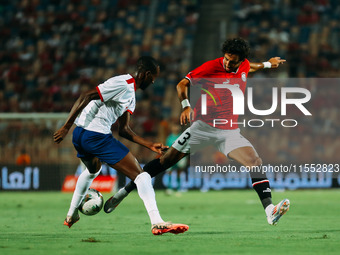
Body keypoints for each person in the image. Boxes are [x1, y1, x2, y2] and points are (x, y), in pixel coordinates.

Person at [104, 38, 290, 226]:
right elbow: (181, 84)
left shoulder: (244, 65)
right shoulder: (211, 67)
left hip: (229, 130)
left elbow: (251, 67)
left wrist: (268, 64)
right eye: (226, 58)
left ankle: (269, 211)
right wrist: (186, 106)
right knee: (165, 161)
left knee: (255, 162)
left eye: (232, 61)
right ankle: (123, 192)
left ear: (240, 61)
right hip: (203, 127)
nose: (227, 63)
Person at [53, 56, 189, 235]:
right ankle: (157, 222)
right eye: (153, 77)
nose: (154, 81)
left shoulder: (130, 95)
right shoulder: (123, 83)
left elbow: (124, 130)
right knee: (142, 177)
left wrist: (149, 145)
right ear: (146, 74)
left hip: (81, 136)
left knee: (93, 170)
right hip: (95, 135)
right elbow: (86, 95)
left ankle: (71, 215)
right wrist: (65, 126)